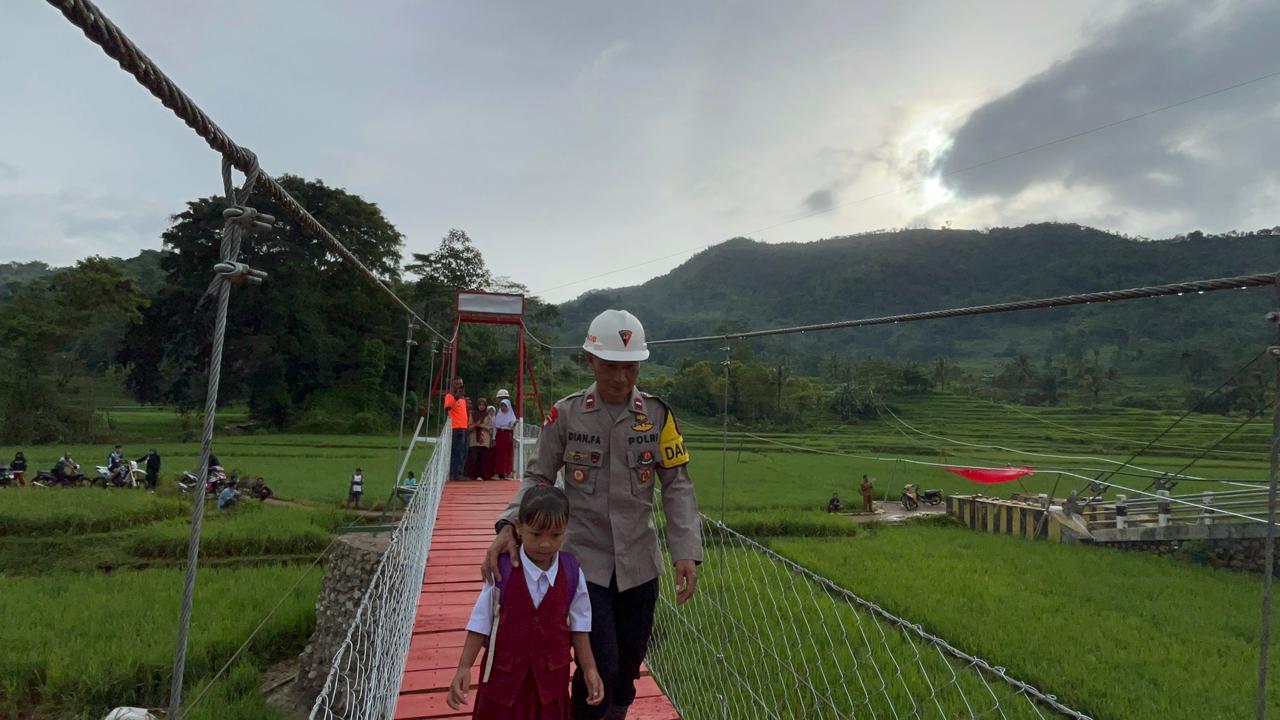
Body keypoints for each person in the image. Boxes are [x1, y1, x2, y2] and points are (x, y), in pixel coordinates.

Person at [483, 309, 702, 720]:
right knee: (598, 662)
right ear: (590, 361)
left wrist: (685, 550)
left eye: (631, 367)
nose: (621, 378)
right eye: (611, 367)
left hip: (639, 565)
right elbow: (538, 476)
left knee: (628, 668)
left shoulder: (658, 417)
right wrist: (508, 522)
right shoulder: (566, 414)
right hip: (586, 566)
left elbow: (678, 485)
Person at [449, 484, 604, 716]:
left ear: (566, 530)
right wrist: (464, 666)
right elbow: (480, 622)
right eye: (536, 534)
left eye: (555, 535)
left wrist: (590, 669)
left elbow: (580, 627)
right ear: (519, 528)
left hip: (550, 687)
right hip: (504, 686)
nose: (545, 544)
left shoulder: (572, 573)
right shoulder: (502, 570)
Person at [445, 377, 470, 481]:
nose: (460, 386)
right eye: (458, 384)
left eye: (461, 384)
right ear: (453, 385)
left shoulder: (463, 399)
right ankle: (456, 474)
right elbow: (447, 408)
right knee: (457, 451)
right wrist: (456, 397)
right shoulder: (450, 396)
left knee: (464, 451)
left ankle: (460, 472)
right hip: (456, 427)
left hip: (464, 427)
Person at [465, 398, 493, 480]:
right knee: (473, 458)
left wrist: (482, 426)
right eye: (480, 405)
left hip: (484, 439)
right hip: (474, 439)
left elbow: (491, 428)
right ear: (477, 406)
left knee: (483, 458)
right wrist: (475, 425)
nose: (481, 407)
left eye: (483, 405)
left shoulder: (488, 415)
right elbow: (469, 427)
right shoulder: (472, 414)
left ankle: (482, 475)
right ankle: (472, 475)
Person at [491, 394, 517, 479]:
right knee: (499, 454)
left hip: (508, 435)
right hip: (500, 435)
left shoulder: (511, 415)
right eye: (501, 406)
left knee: (507, 453)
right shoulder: (498, 415)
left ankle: (507, 472)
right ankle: (499, 472)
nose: (503, 408)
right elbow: (495, 427)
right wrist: (494, 438)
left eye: (505, 406)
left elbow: (511, 423)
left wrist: (515, 422)